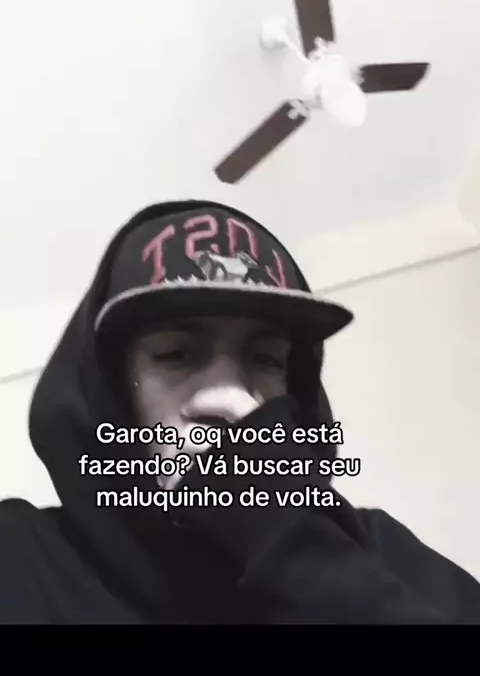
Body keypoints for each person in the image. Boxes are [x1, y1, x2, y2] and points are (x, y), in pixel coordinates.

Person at [1, 198, 479, 624]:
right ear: (112, 390)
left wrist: (295, 544)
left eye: (265, 359)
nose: (229, 399)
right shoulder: (21, 558)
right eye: (176, 354)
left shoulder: (380, 552)